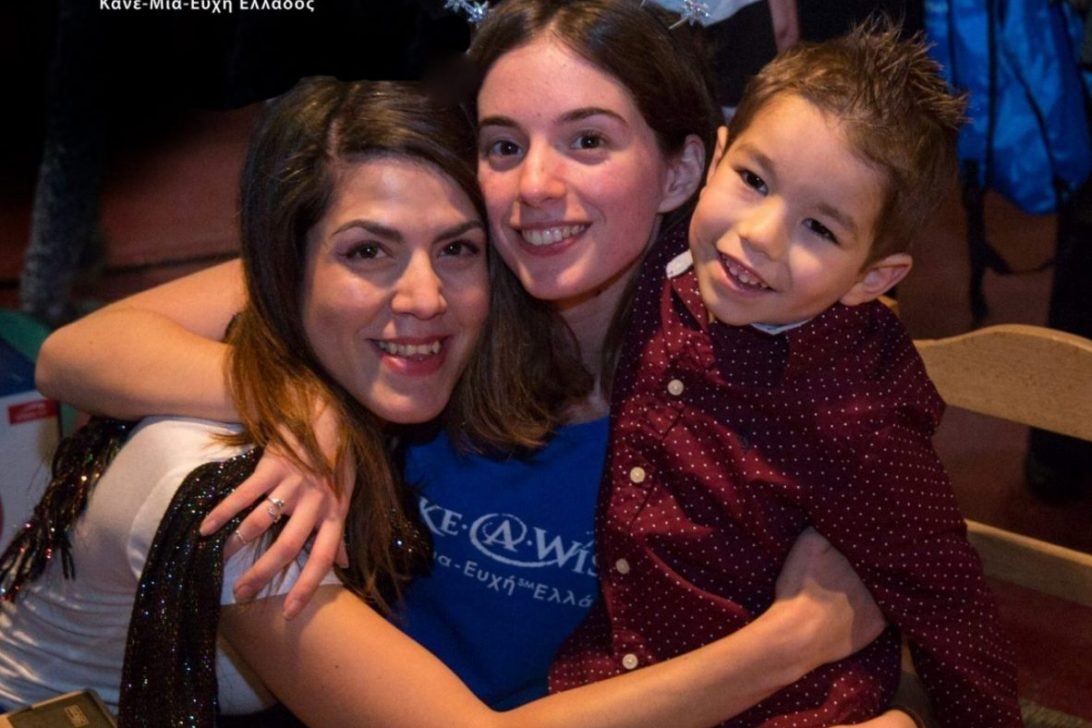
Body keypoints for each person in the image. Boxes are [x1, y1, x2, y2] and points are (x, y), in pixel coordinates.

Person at [32, 2, 924, 725]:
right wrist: (306, 407)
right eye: (504, 145)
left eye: (588, 140)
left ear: (685, 169)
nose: (535, 186)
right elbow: (77, 348)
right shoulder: (428, 280)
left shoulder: (734, 335)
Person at [548, 23, 1022, 727]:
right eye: (753, 180)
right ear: (716, 160)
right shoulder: (660, 273)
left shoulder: (862, 418)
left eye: (820, 229)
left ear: (870, 279)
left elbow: (947, 600)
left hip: (780, 708)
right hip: (617, 669)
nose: (760, 236)